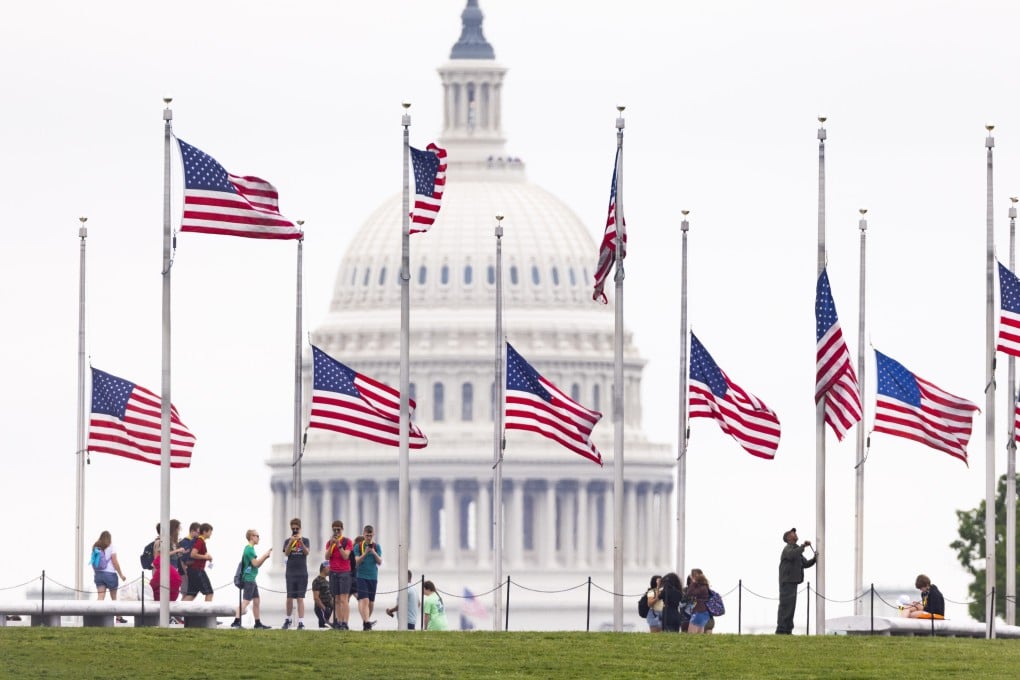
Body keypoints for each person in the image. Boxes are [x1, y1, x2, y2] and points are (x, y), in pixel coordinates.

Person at [776, 527, 817, 634]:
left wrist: (815, 559)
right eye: (792, 533)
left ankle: (787, 630)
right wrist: (803, 546)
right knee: (786, 606)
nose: (795, 533)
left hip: (792, 582)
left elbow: (805, 563)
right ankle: (781, 630)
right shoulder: (788, 549)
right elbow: (791, 555)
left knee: (791, 607)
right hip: (787, 582)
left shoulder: (796, 549)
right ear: (788, 538)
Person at [230, 529, 273, 629]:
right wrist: (265, 556)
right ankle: (236, 621)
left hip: (252, 579)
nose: (258, 538)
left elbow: (256, 565)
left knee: (256, 601)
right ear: (251, 537)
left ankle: (257, 623)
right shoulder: (249, 549)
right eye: (257, 536)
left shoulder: (250, 549)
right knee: (246, 601)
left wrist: (265, 557)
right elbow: (256, 563)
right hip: (248, 579)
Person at [91, 531, 128, 622]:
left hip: (99, 574)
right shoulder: (112, 547)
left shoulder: (96, 547)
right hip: (110, 574)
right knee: (114, 597)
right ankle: (118, 618)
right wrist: (121, 574)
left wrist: (96, 573)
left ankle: (97, 617)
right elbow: (115, 562)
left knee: (100, 596)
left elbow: (93, 562)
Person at [282, 517, 311, 630]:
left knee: (300, 598)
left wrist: (300, 542)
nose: (295, 530)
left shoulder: (305, 540)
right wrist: (291, 541)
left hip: (302, 572)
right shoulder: (287, 541)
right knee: (289, 597)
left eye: (296, 528)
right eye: (293, 528)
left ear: (300, 528)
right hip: (290, 572)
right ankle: (288, 619)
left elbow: (306, 552)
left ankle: (301, 622)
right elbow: (286, 553)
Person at [325, 520, 354, 630]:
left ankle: (345, 622)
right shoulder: (329, 543)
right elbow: (327, 557)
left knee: (343, 599)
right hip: (333, 572)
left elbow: (346, 556)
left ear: (342, 529)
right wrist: (332, 545)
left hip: (344, 572)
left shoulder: (347, 542)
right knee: (336, 599)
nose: (336, 532)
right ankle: (338, 621)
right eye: (334, 530)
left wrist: (339, 545)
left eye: (338, 529)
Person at [354, 524, 383, 630]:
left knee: (371, 602)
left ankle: (366, 622)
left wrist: (374, 553)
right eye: (367, 535)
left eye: (370, 535)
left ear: (373, 535)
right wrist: (365, 553)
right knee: (364, 600)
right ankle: (367, 622)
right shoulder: (358, 546)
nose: (369, 537)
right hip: (361, 576)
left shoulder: (377, 546)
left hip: (373, 577)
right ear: (363, 534)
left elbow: (379, 562)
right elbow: (356, 562)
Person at [151, 520, 184, 602]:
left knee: (170, 594)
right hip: (164, 570)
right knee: (163, 593)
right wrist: (177, 551)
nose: (179, 531)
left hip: (171, 570)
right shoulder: (164, 540)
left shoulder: (172, 541)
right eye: (178, 528)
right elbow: (161, 555)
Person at [183, 523, 215, 602]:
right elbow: (193, 554)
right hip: (197, 570)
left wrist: (206, 558)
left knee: (191, 594)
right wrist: (206, 557)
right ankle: (207, 613)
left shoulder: (198, 540)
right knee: (209, 592)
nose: (211, 533)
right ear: (204, 531)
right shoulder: (200, 541)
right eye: (210, 531)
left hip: (192, 570)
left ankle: (176, 613)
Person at [177, 522, 200, 596]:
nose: (200, 534)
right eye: (198, 532)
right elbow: (182, 559)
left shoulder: (196, 542)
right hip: (185, 572)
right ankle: (184, 608)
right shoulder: (184, 542)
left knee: (191, 593)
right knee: (186, 593)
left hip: (192, 571)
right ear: (192, 531)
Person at [685, 568, 711, 634]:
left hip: (699, 611)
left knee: (691, 633)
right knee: (699, 632)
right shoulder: (704, 586)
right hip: (703, 611)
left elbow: (689, 593)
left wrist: (693, 582)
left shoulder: (701, 587)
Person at [312, 561, 334, 629]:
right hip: (321, 608)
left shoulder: (327, 581)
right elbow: (316, 598)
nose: (330, 569)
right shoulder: (317, 581)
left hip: (329, 608)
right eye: (329, 567)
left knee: (330, 626)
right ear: (324, 568)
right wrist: (324, 609)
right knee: (323, 626)